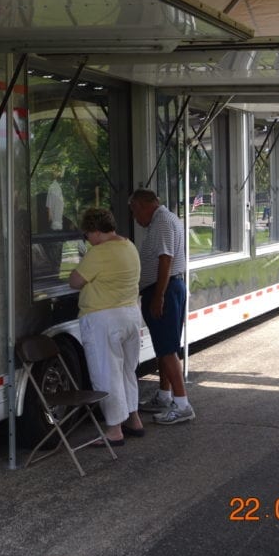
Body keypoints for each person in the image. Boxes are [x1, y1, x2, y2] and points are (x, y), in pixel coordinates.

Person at [68, 207, 144, 445]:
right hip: (131, 315)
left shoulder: (99, 252)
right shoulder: (129, 246)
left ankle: (114, 430)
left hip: (104, 319)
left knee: (106, 374)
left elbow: (74, 282)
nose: (87, 239)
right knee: (127, 371)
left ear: (96, 231)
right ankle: (134, 419)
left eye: (87, 235)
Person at [129, 189, 194, 424]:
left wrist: (159, 296)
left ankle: (182, 405)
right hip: (166, 289)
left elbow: (165, 259)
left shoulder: (162, 222)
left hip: (164, 290)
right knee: (164, 347)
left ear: (143, 205)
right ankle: (165, 396)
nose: (135, 218)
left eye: (135, 211)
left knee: (167, 349)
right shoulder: (164, 219)